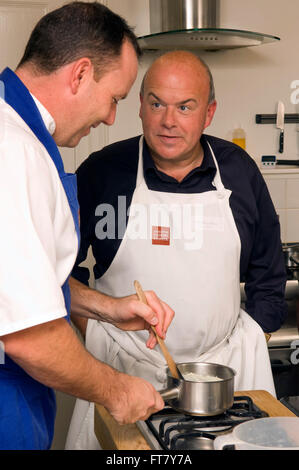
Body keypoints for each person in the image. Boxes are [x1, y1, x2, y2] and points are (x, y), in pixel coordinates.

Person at [66, 50, 288, 449]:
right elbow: (58, 268)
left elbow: (268, 272)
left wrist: (253, 338)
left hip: (225, 374)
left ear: (209, 113)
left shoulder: (239, 171)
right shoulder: (103, 171)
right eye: (157, 104)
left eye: (185, 107)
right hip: (123, 370)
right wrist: (94, 331)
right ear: (140, 106)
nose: (169, 121)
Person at [0, 2, 175, 451]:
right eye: (115, 98)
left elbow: (21, 284)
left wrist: (108, 308)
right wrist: (118, 390)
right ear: (79, 74)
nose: (112, 118)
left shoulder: (18, 132)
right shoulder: (12, 150)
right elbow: (28, 334)